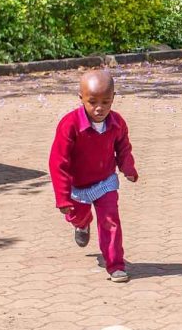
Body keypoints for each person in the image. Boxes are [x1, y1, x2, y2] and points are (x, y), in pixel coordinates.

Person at [49, 70, 138, 283]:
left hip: (105, 182)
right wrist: (62, 197)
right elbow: (57, 162)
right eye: (93, 102)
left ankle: (116, 265)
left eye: (106, 102)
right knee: (77, 215)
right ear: (81, 98)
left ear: (114, 98)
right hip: (77, 185)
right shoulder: (70, 124)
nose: (100, 108)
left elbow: (123, 148)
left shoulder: (117, 122)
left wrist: (128, 168)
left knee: (110, 221)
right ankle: (82, 223)